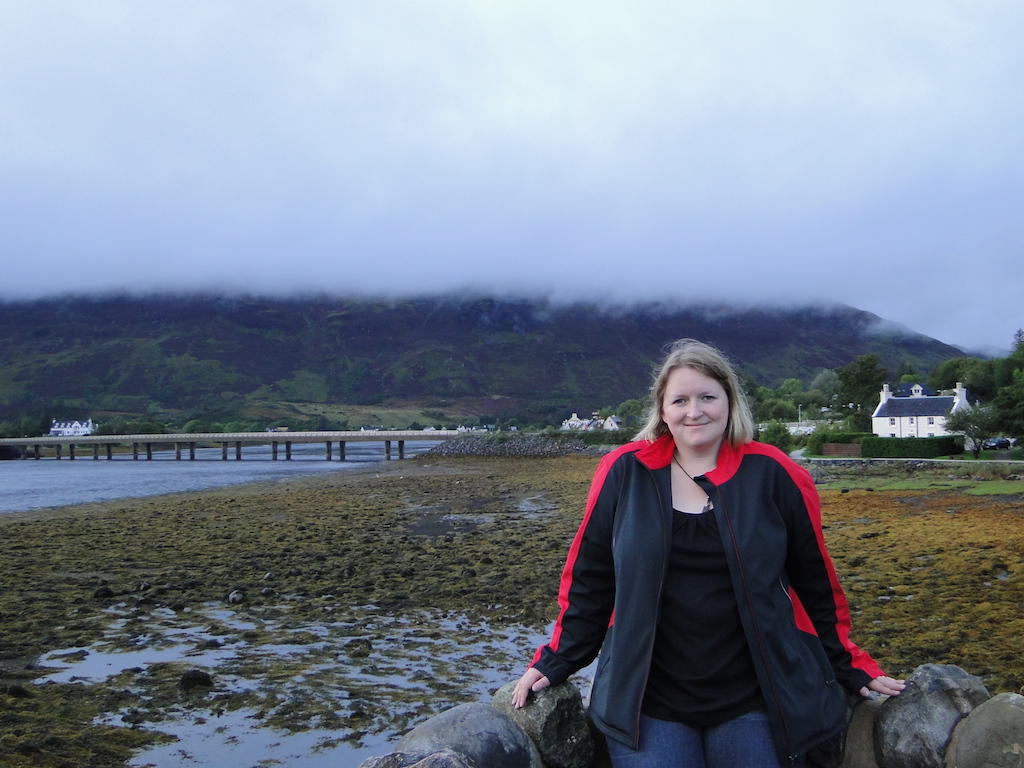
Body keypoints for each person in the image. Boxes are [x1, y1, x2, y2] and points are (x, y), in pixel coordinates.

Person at [512, 339, 903, 768]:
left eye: (707, 397)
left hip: (754, 697)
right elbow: (591, 579)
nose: (694, 411)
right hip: (647, 702)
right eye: (680, 400)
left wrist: (849, 663)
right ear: (662, 410)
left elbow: (815, 582)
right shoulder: (624, 472)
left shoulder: (775, 473)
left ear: (729, 402)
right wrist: (557, 659)